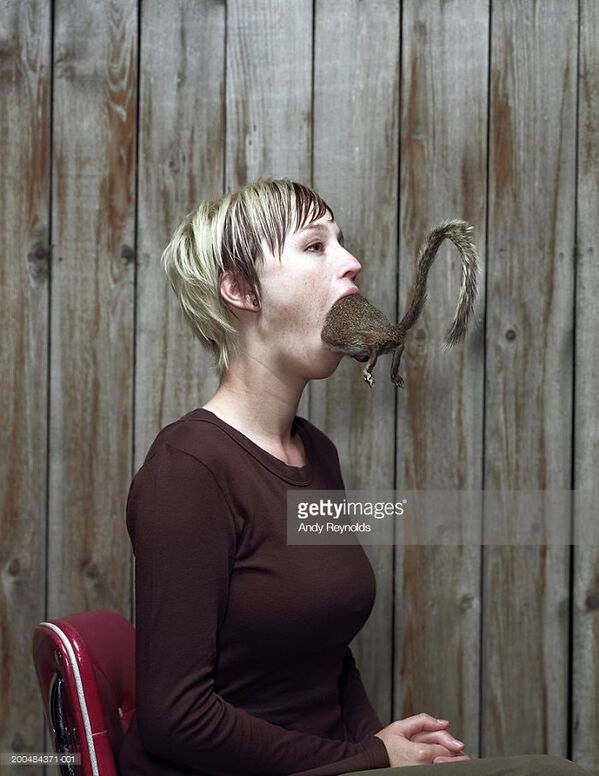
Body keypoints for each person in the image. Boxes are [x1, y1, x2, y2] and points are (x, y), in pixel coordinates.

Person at [117, 178, 588, 776]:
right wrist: (367, 756)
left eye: (341, 242)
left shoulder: (317, 452)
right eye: (315, 246)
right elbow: (176, 718)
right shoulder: (187, 471)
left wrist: (386, 748)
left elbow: (327, 657)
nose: (352, 262)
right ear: (239, 289)